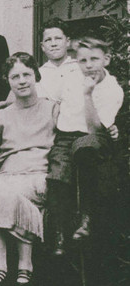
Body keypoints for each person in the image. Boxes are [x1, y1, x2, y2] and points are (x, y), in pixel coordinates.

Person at [0, 52, 58, 286]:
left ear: (36, 76)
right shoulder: (0, 116)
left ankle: (25, 265)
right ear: (7, 80)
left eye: (26, 75)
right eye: (15, 77)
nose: (22, 81)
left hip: (38, 174)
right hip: (7, 175)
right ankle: (0, 268)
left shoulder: (53, 109)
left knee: (14, 195)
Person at [47, 37, 124, 255]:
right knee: (57, 171)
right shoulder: (71, 78)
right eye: (82, 61)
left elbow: (95, 128)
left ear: (106, 59)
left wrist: (88, 94)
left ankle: (86, 220)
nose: (88, 65)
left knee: (85, 150)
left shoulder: (112, 89)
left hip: (93, 137)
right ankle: (59, 234)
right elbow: (50, 98)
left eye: (94, 59)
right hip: (65, 136)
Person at [0, 18, 79, 109]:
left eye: (58, 38)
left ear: (67, 42)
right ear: (42, 46)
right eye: (48, 40)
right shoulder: (35, 74)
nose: (53, 44)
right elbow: (13, 101)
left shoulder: (81, 69)